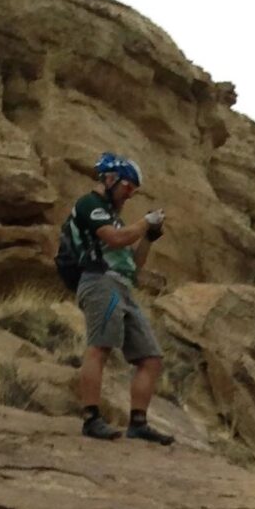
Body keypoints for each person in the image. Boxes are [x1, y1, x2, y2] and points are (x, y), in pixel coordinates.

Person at [64, 153, 171, 442]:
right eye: (128, 187)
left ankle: (138, 423)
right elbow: (116, 239)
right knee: (100, 347)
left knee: (151, 358)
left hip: (122, 286)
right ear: (110, 179)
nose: (129, 194)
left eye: (133, 191)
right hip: (100, 282)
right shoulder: (90, 205)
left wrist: (148, 236)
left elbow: (134, 265)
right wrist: (143, 222)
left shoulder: (115, 217)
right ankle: (90, 418)